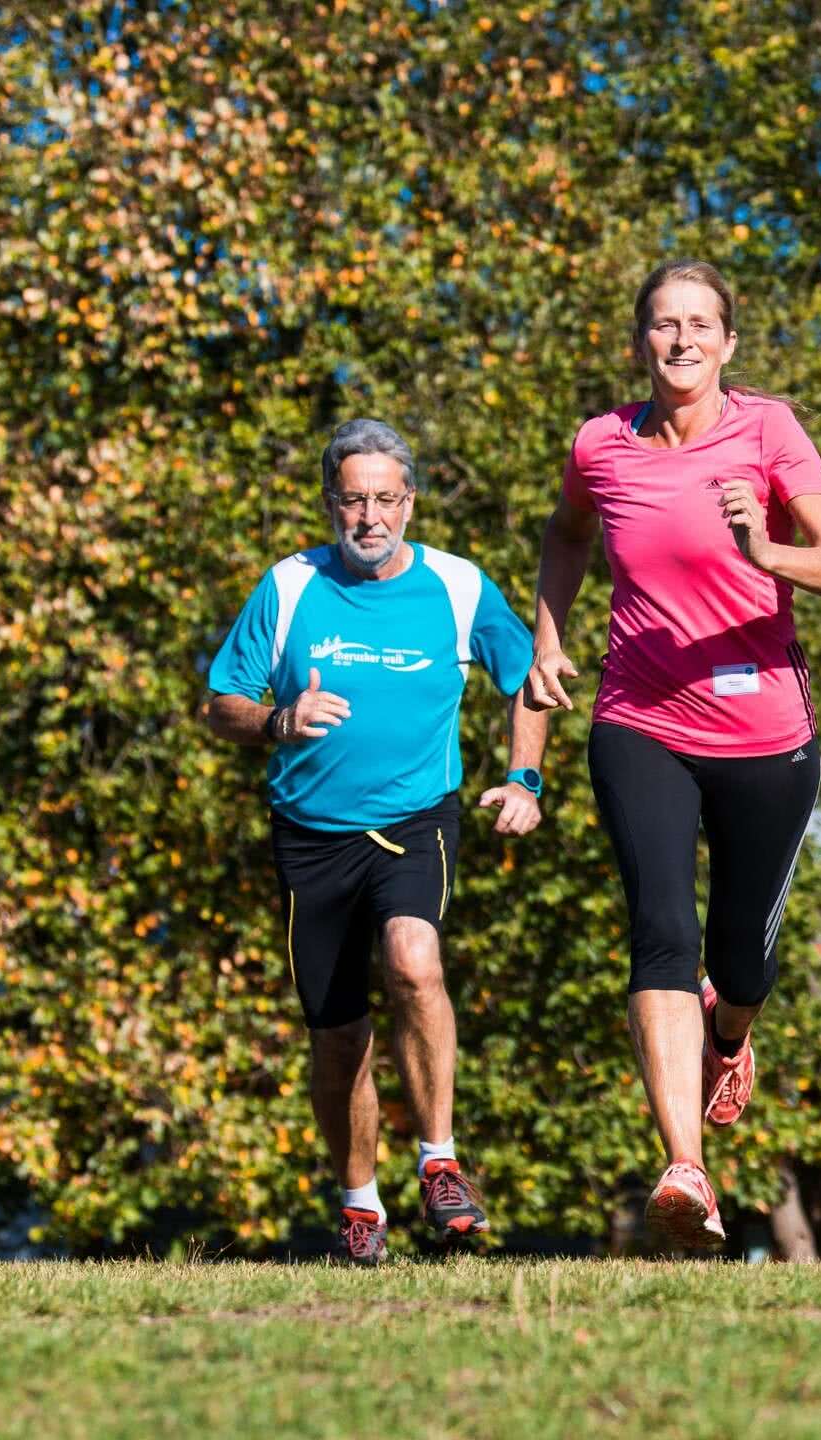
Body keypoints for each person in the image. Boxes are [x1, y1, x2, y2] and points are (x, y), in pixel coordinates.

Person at [524, 259, 821, 1251]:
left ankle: (730, 1029)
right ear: (642, 340)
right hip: (640, 717)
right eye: (664, 324)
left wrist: (768, 553)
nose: (681, 341)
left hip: (766, 734)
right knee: (661, 932)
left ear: (728, 342)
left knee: (741, 957)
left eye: (700, 324)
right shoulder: (600, 443)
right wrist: (549, 636)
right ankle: (686, 1168)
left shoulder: (769, 431)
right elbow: (566, 535)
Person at [203, 418, 545, 1266]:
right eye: (354, 500)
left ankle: (440, 1162)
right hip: (309, 837)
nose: (370, 517)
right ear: (331, 505)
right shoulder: (288, 587)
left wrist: (524, 778)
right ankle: (361, 1206)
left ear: (410, 503)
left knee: (413, 961)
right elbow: (220, 703)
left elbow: (530, 677)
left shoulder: (457, 586)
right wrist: (278, 721)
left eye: (385, 499)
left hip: (414, 820)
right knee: (338, 1037)